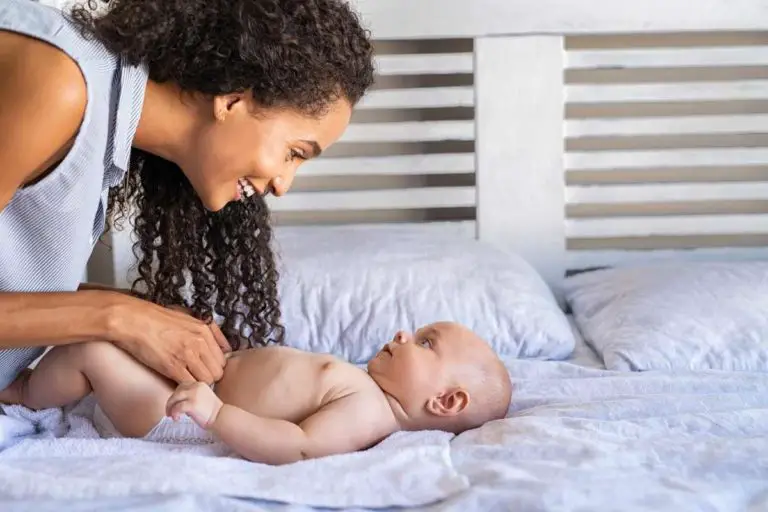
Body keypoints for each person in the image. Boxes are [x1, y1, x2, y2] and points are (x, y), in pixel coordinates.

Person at [0, 0, 375, 389]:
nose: (283, 184)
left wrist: (144, 315)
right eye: (293, 153)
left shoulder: (102, 112)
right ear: (232, 100)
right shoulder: (57, 83)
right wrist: (118, 317)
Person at [0, 322, 513, 464]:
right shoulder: (365, 384)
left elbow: (299, 445)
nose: (403, 334)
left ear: (446, 402)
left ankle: (19, 391)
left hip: (177, 420)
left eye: (425, 342)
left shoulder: (368, 412)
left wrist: (216, 413)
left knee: (93, 348)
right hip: (195, 392)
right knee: (127, 338)